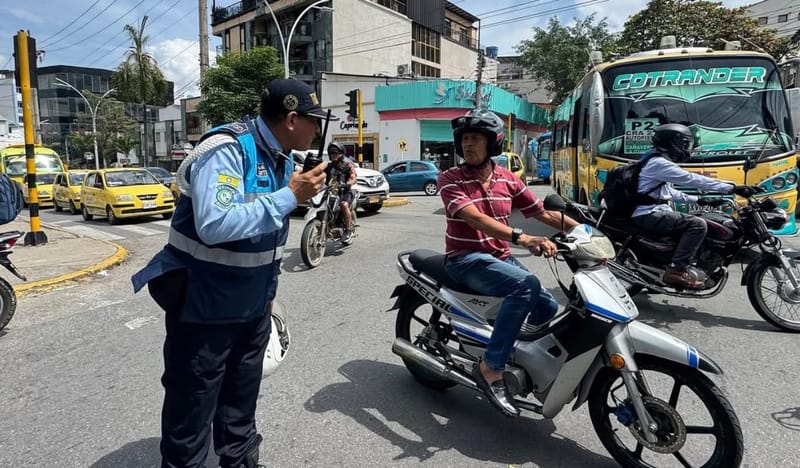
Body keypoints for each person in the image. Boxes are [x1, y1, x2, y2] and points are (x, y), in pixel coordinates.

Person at [130, 78, 336, 468]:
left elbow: (268, 241)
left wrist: (268, 295)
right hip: (204, 310)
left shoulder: (282, 158)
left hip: (252, 308)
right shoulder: (228, 149)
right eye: (314, 121)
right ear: (292, 119)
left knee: (240, 405)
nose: (317, 130)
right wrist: (289, 196)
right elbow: (214, 225)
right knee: (192, 409)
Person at [438, 108, 579, 418]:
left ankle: (514, 349)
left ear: (493, 143)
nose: (468, 144)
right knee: (525, 286)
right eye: (465, 139)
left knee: (547, 307)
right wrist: (523, 238)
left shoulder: (507, 179)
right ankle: (491, 367)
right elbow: (474, 219)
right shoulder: (450, 178)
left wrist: (582, 229)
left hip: (499, 258)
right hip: (465, 259)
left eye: (476, 139)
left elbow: (541, 212)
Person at [630, 123, 760, 289]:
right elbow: (692, 179)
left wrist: (700, 200)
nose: (687, 149)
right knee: (698, 224)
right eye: (684, 144)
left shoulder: (654, 160)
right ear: (672, 143)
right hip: (647, 214)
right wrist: (731, 188)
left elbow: (669, 193)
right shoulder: (659, 163)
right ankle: (676, 270)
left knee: (697, 219)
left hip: (650, 211)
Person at [325, 141, 357, 243]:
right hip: (331, 192)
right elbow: (319, 174)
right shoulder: (328, 166)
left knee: (344, 205)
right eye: (331, 153)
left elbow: (353, 177)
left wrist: (348, 183)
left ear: (341, 154)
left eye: (335, 153)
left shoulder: (348, 165)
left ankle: (348, 230)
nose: (333, 155)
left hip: (344, 192)